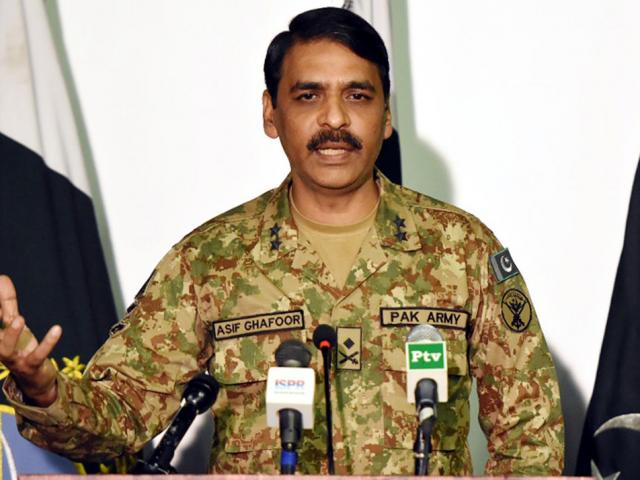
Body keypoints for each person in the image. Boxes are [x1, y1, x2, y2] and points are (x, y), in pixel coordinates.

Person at [0, 7, 564, 476]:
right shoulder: (211, 260)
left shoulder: (462, 249)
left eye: (358, 96)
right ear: (272, 113)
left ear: (387, 115)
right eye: (309, 96)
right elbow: (120, 417)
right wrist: (44, 390)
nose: (335, 119)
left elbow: (530, 432)